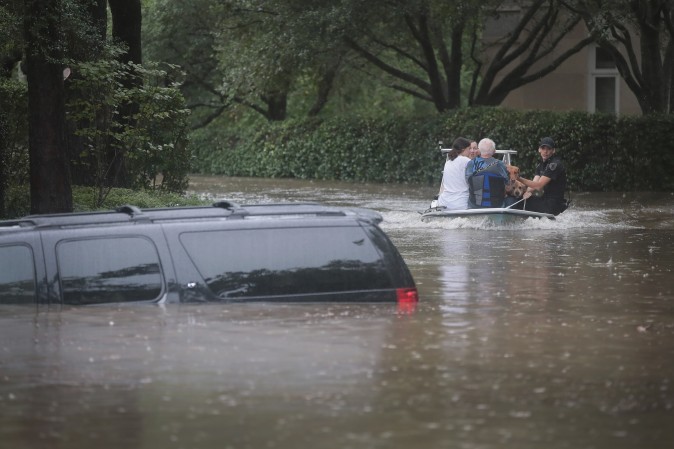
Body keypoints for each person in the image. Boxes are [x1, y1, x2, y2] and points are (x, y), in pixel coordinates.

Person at [515, 137, 568, 215]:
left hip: (553, 205)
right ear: (539, 150)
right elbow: (534, 184)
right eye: (543, 148)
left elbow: (539, 186)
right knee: (520, 198)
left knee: (517, 203)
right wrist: (527, 192)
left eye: (548, 149)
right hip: (545, 200)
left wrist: (517, 178)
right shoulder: (540, 165)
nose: (545, 151)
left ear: (553, 151)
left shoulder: (554, 165)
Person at [465, 138, 510, 208]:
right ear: (493, 151)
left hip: (475, 205)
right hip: (496, 205)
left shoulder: (471, 164)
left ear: (479, 150)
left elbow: (468, 181)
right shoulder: (500, 165)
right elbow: (507, 183)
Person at [437, 137, 472, 210]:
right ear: (463, 150)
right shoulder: (467, 161)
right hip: (460, 204)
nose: (471, 151)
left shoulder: (448, 162)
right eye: (469, 148)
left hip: (444, 202)